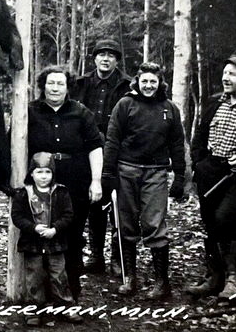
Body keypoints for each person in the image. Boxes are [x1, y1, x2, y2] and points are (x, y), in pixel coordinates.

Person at [103, 62, 186, 299]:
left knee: (154, 224)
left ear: (160, 83)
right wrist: (108, 174)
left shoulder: (169, 108)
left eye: (153, 81)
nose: (149, 86)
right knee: (126, 224)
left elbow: (177, 144)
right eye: (144, 81)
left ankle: (162, 283)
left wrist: (179, 176)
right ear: (137, 82)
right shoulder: (125, 104)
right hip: (126, 171)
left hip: (156, 172)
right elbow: (112, 140)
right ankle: (130, 279)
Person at [187, 49, 236, 299]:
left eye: (232, 74)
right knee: (210, 223)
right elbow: (199, 136)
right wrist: (199, 164)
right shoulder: (214, 102)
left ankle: (235, 279)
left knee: (225, 218)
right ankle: (215, 277)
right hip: (210, 171)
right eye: (224, 73)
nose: (226, 78)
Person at [27, 65, 104, 301]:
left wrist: (96, 181)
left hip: (75, 184)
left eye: (61, 83)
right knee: (38, 238)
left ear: (68, 87)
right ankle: (40, 297)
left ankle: (71, 293)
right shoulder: (29, 112)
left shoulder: (81, 113)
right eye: (51, 83)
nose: (56, 88)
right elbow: (16, 146)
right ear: (43, 85)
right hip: (39, 183)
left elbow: (95, 148)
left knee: (71, 237)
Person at [73, 39, 132, 275]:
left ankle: (118, 258)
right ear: (94, 58)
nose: (105, 59)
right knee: (94, 204)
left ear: (117, 60)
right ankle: (96, 256)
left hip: (119, 153)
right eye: (101, 54)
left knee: (118, 205)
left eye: (111, 55)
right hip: (88, 153)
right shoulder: (81, 83)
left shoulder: (127, 85)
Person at [11, 156, 74, 326]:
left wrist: (55, 229)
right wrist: (33, 228)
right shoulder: (23, 193)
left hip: (56, 242)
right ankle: (34, 310)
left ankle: (65, 307)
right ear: (32, 173)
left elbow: (68, 215)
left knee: (59, 275)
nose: (44, 176)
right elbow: (17, 217)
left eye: (48, 172)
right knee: (34, 277)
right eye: (39, 172)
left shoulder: (61, 192)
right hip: (33, 243)